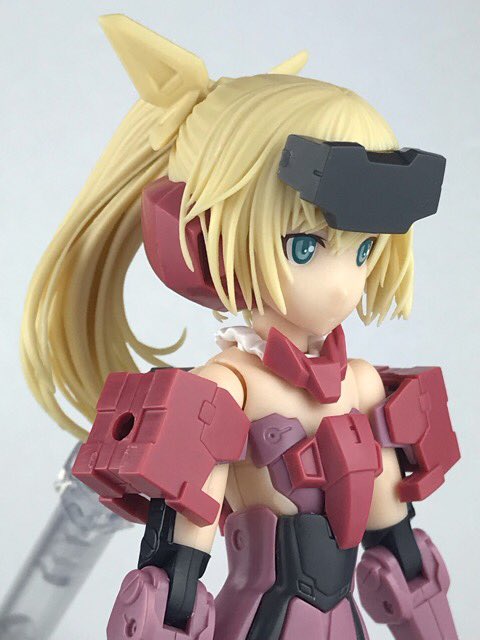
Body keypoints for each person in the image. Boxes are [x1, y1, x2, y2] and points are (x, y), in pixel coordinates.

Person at [21, 14, 460, 640]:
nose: (344, 284)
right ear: (204, 241)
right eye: (305, 247)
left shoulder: (361, 386)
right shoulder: (229, 391)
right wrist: (167, 612)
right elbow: (179, 566)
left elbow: (398, 550)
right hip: (261, 621)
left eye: (364, 250)